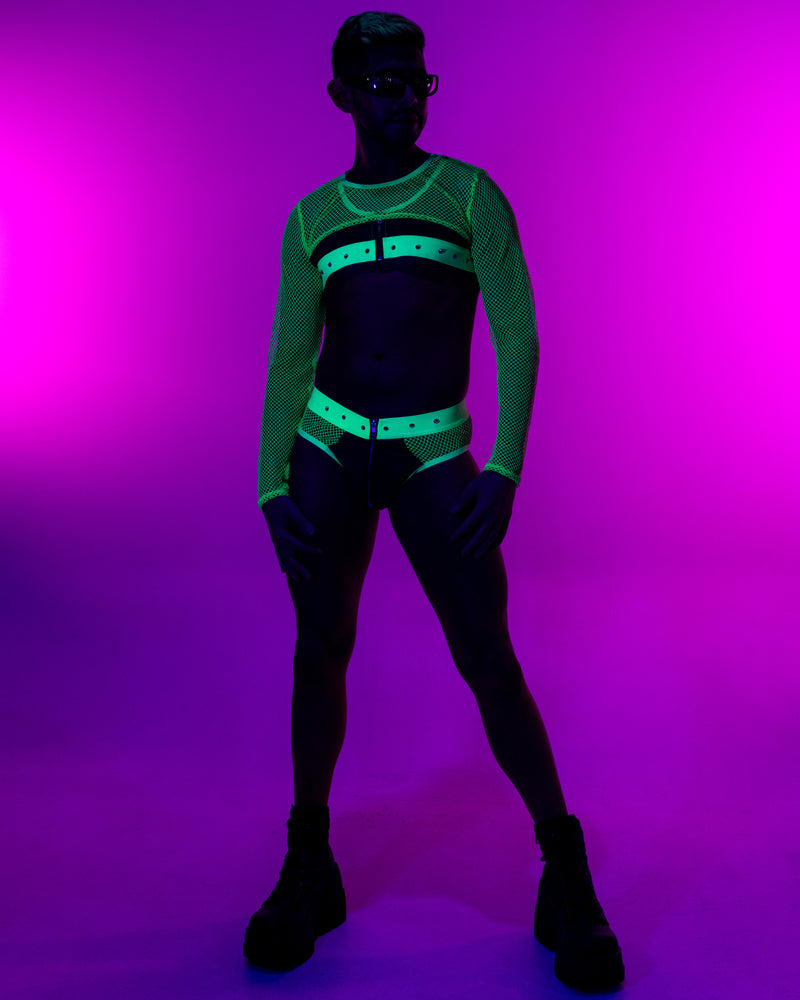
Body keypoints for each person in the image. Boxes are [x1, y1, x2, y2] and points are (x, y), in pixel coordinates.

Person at [244, 11, 624, 993]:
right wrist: (270, 482)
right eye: (382, 83)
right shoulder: (311, 217)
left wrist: (502, 469)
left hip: (431, 455)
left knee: (485, 656)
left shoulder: (465, 194)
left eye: (416, 80)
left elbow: (518, 335)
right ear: (341, 94)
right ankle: (308, 861)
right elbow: (289, 357)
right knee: (319, 648)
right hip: (327, 447)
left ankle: (563, 868)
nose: (404, 97)